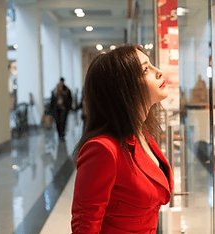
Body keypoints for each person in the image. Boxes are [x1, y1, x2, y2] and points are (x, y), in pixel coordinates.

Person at [71, 44, 173, 234]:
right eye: (145, 70)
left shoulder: (142, 134)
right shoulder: (102, 150)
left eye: (151, 65)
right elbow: (84, 227)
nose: (158, 72)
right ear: (122, 89)